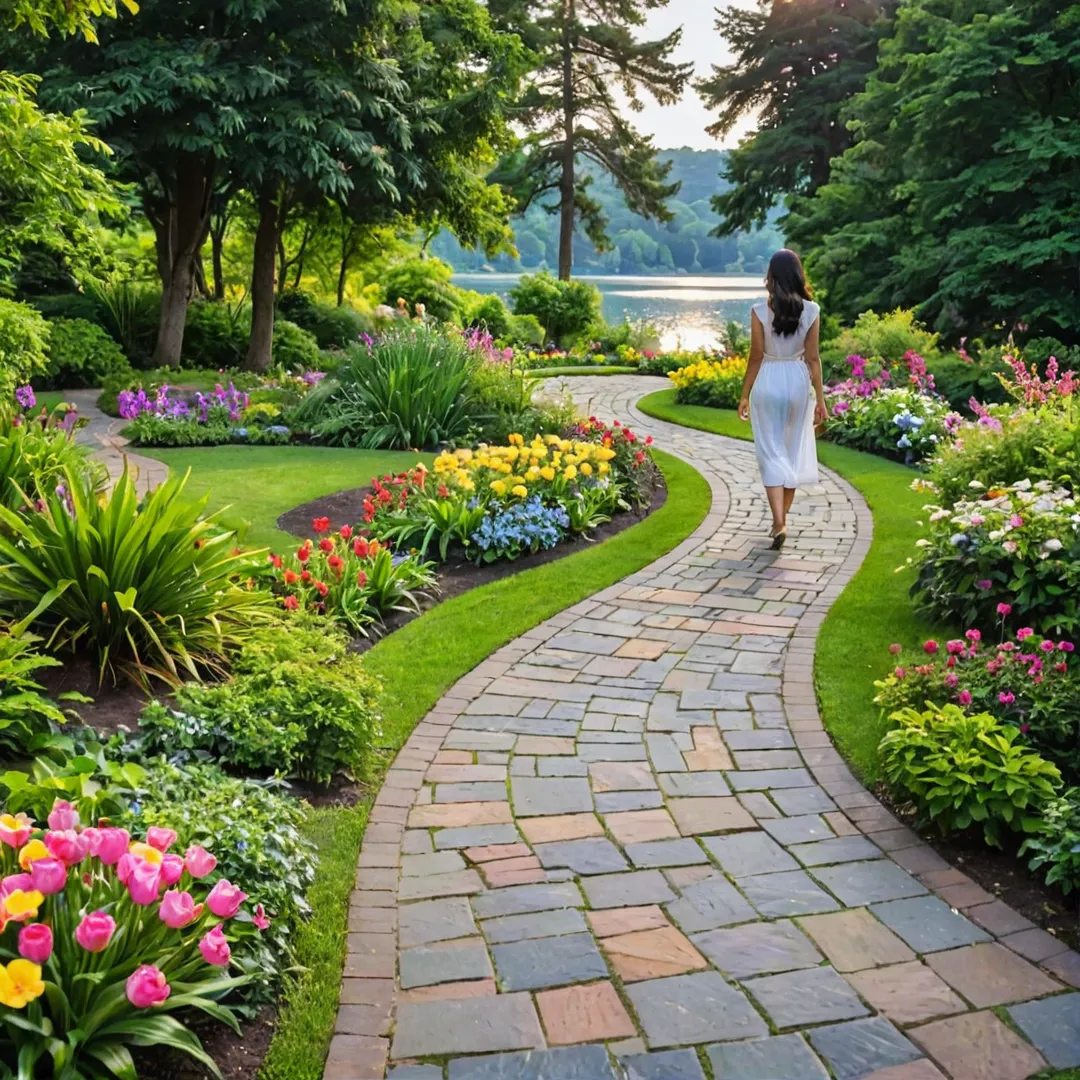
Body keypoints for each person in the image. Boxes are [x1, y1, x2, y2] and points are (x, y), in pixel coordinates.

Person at [737, 249, 828, 550]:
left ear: (771, 276)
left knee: (769, 453)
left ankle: (779, 522)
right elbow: (813, 359)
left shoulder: (759, 311)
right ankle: (781, 520)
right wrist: (822, 401)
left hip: (768, 379)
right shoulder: (811, 310)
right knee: (789, 453)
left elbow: (755, 357)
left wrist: (744, 395)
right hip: (798, 383)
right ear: (798, 274)